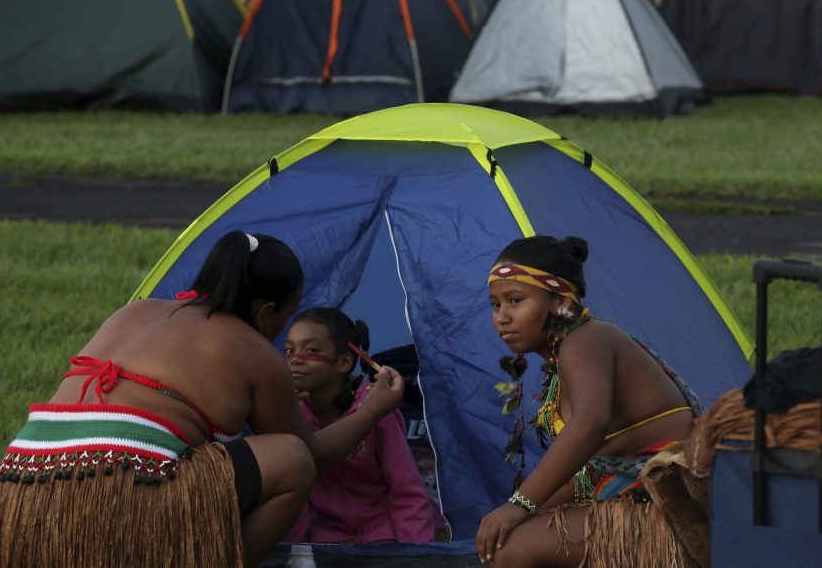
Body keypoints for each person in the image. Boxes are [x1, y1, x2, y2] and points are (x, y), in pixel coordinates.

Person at [0, 231, 405, 568]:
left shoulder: (133, 311)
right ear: (266, 311)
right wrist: (373, 408)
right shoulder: (253, 349)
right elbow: (313, 458)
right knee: (291, 458)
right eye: (285, 318)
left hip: (17, 502)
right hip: (114, 504)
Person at [475, 235, 703, 567]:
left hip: (669, 511)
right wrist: (520, 508)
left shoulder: (584, 340)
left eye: (515, 300)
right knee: (504, 535)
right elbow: (592, 465)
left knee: (511, 547)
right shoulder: (567, 355)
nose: (502, 317)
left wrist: (519, 505)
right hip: (636, 498)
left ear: (559, 302)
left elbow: (589, 425)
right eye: (496, 305)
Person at [282, 308, 436, 544]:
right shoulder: (292, 411)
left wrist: (416, 552)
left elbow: (406, 487)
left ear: (344, 362)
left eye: (311, 350)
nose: (295, 359)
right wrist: (291, 550)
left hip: (383, 530)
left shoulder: (378, 407)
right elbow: (295, 493)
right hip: (328, 535)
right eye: (289, 350)